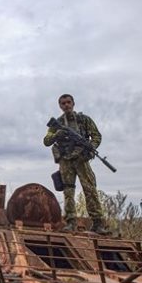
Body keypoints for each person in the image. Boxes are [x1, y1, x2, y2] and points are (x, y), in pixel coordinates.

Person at [43, 94, 106, 233]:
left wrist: (91, 147)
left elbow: (96, 136)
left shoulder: (83, 120)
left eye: (68, 102)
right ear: (60, 106)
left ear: (73, 103)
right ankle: (71, 222)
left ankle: (98, 223)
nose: (66, 105)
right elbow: (46, 141)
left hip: (81, 159)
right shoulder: (57, 123)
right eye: (63, 103)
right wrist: (56, 135)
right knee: (68, 191)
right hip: (65, 161)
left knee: (90, 190)